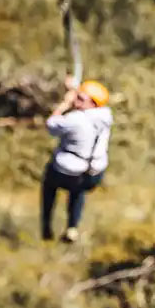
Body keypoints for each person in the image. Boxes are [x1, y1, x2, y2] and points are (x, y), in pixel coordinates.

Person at [41, 78, 113, 242]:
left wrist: (65, 103)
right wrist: (74, 88)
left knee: (49, 183)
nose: (75, 100)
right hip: (94, 174)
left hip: (68, 171)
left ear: (93, 104)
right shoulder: (106, 116)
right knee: (78, 190)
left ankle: (46, 226)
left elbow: (51, 125)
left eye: (80, 98)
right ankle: (72, 227)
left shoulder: (75, 120)